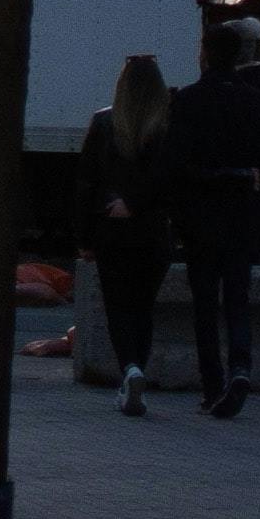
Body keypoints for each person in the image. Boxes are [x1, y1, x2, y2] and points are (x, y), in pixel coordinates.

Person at [168, 9, 260, 419]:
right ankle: (241, 365)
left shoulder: (186, 101)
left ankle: (211, 383)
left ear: (204, 54)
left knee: (204, 301)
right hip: (242, 212)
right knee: (238, 296)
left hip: (202, 215)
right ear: (238, 56)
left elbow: (175, 166)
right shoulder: (259, 103)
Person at [79, 54, 175, 416]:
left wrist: (86, 237)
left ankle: (130, 369)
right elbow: (168, 179)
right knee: (143, 307)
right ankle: (138, 368)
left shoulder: (104, 123)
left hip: (111, 230)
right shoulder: (165, 128)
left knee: (118, 306)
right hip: (152, 232)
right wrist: (138, 204)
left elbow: (85, 183)